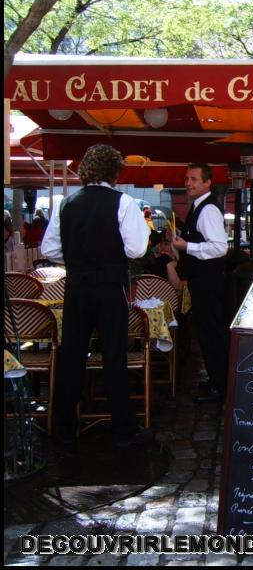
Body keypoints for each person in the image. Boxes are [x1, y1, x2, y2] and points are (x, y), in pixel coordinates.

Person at [41, 144, 152, 449]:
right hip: (109, 286)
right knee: (114, 355)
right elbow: (136, 250)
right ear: (115, 171)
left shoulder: (65, 204)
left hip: (76, 286)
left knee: (72, 355)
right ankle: (123, 429)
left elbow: (49, 250)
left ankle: (64, 427)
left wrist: (79, 260)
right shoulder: (124, 202)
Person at [172, 162, 229, 404]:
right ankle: (218, 381)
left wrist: (187, 247)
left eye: (194, 179)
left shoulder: (208, 210)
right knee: (207, 334)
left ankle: (221, 387)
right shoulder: (198, 207)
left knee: (212, 334)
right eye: (186, 179)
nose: (188, 183)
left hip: (209, 283)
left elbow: (219, 247)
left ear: (208, 183)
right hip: (202, 282)